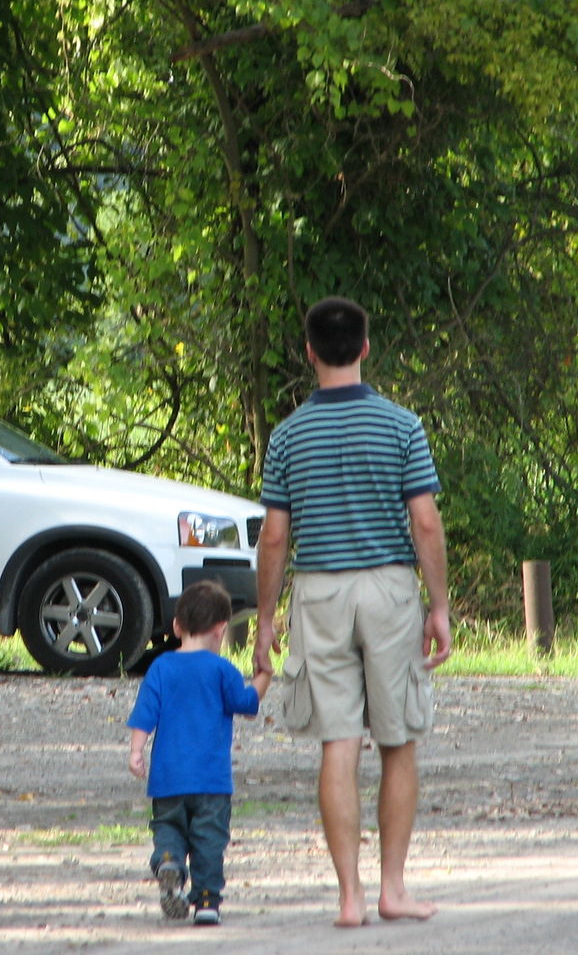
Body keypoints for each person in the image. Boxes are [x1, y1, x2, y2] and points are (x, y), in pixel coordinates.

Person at [253, 296, 452, 928]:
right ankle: (394, 889)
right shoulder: (401, 426)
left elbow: (275, 538)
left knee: (338, 742)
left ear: (309, 352)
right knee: (397, 740)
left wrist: (264, 619)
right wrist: (439, 605)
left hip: (319, 593)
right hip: (390, 591)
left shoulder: (287, 435)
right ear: (366, 348)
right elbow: (425, 521)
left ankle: (349, 898)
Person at [127, 580, 272, 926]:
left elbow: (145, 713)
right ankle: (207, 902)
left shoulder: (161, 667)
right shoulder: (222, 670)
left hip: (167, 778)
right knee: (209, 839)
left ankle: (168, 860)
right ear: (221, 630)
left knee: (168, 827)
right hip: (211, 781)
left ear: (177, 627)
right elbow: (247, 705)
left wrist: (136, 751)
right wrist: (264, 674)